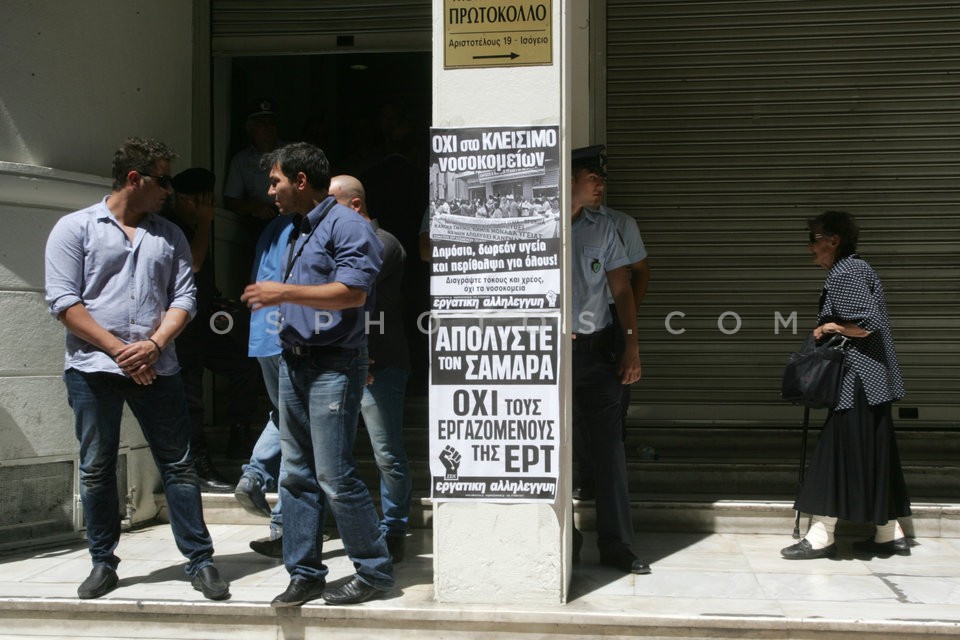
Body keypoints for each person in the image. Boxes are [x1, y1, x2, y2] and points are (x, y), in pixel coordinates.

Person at [43, 137, 229, 601]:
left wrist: (152, 345)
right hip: (93, 369)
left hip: (157, 366)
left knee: (179, 465)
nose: (170, 190)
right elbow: (65, 301)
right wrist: (121, 351)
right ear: (134, 178)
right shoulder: (75, 228)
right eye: (163, 179)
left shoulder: (170, 235)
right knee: (97, 467)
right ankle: (103, 562)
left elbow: (185, 297)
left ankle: (200, 561)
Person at [240, 142, 393, 607]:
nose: (270, 192)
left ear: (301, 182)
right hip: (295, 360)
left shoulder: (348, 225)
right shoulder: (297, 228)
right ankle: (304, 572)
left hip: (332, 364)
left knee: (333, 474)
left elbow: (352, 293)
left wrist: (281, 291)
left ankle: (374, 571)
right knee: (296, 475)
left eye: (276, 182)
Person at [781, 210, 911, 560]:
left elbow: (868, 323)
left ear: (833, 240)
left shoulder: (845, 272)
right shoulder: (859, 267)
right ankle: (889, 533)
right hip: (874, 381)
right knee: (874, 452)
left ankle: (822, 535)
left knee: (834, 453)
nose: (810, 248)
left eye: (814, 240)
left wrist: (831, 328)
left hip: (857, 382)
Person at [569, 145, 650, 575]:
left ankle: (616, 544)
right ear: (570, 179)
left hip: (596, 352)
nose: (600, 186)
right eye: (592, 178)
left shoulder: (603, 228)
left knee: (610, 451)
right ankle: (565, 537)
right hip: (545, 357)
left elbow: (621, 288)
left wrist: (631, 345)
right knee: (554, 451)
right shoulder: (534, 226)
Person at [329, 174, 413, 563]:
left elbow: (350, 294)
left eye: (331, 205)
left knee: (386, 453)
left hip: (382, 362)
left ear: (355, 205)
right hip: (347, 361)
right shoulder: (339, 243)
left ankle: (394, 527)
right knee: (333, 452)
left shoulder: (383, 243)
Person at [164, 168, 262, 490]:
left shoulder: (190, 226)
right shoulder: (171, 227)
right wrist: (205, 223)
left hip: (203, 321)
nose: (204, 208)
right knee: (192, 397)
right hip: (181, 326)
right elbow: (192, 263)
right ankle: (198, 463)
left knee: (243, 365)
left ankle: (239, 435)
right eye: (201, 202)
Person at [223, 99, 283, 221]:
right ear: (250, 128)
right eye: (262, 124)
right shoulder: (241, 161)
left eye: (271, 123)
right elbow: (231, 200)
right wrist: (254, 208)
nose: (268, 129)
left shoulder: (292, 154)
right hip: (259, 222)